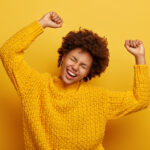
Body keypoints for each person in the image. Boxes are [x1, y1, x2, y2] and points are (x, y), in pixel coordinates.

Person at [0, 11, 150, 150]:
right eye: (73, 59)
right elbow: (8, 52)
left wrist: (140, 57)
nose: (75, 67)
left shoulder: (98, 99)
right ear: (63, 57)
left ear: (88, 72)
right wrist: (41, 24)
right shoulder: (34, 86)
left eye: (83, 66)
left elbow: (141, 99)